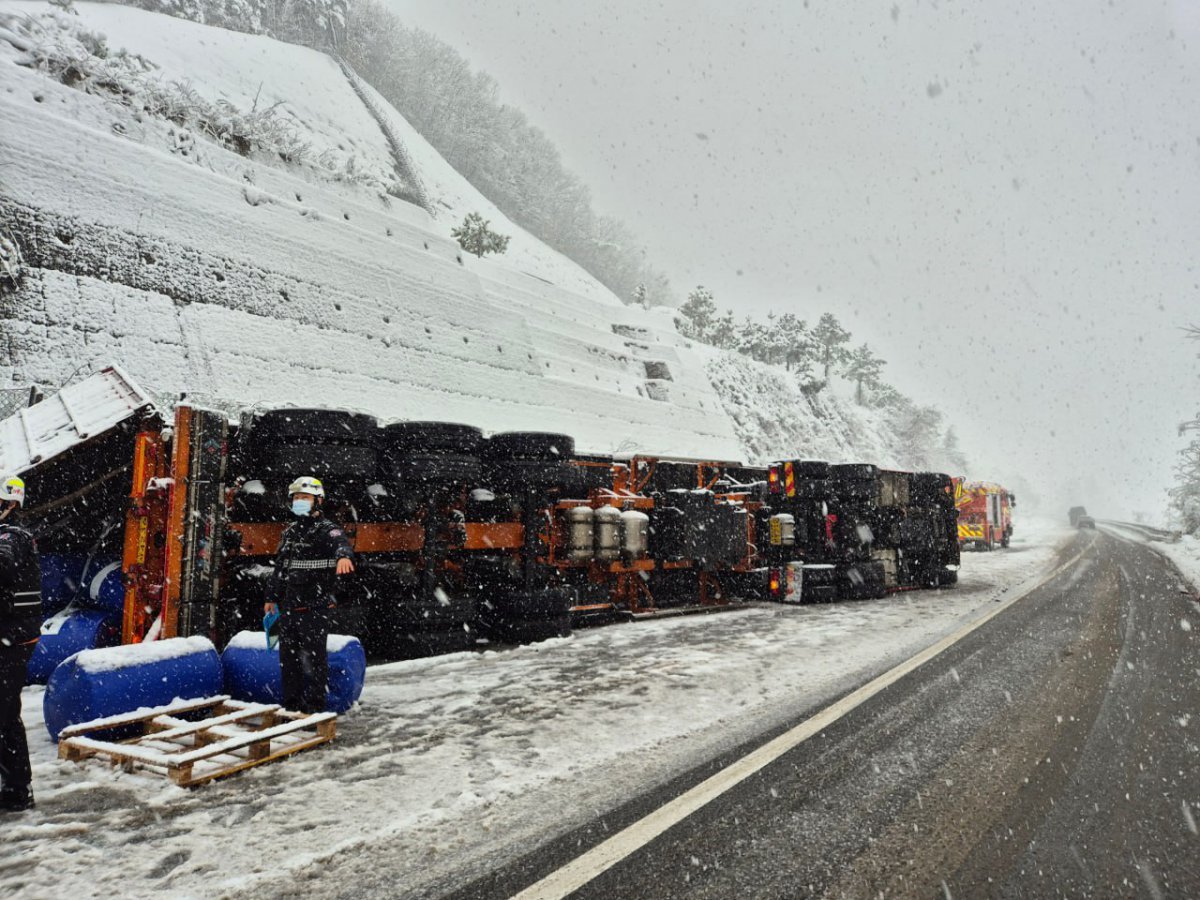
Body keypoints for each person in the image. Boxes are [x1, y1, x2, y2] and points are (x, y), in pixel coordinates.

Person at [265, 476, 354, 714]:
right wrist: (271, 598)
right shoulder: (291, 532)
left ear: (318, 501)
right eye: (296, 498)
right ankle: (291, 706)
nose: (299, 502)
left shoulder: (328, 530)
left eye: (304, 498)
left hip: (315, 606)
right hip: (288, 607)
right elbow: (280, 568)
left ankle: (314, 707)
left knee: (314, 661)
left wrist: (344, 556)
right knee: (288, 660)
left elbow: (341, 545)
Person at [0, 475, 40, 812]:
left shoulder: (13, 536)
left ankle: (16, 790)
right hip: (7, 634)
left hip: (13, 638)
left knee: (4, 713)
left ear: (10, 504)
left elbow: (3, 563)